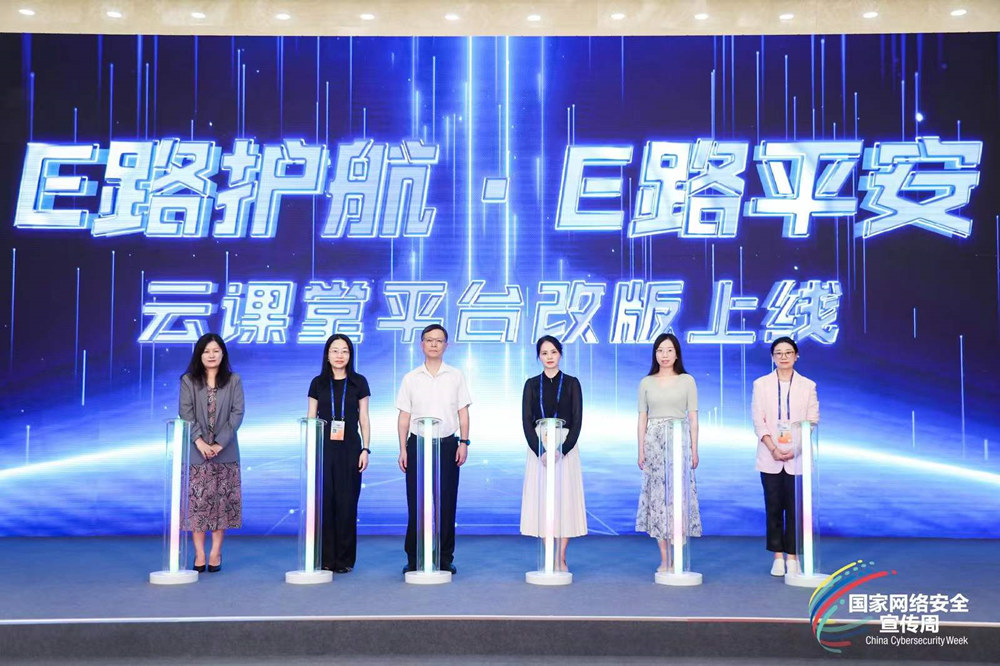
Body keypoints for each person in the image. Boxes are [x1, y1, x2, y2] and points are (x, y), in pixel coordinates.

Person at [396, 324, 472, 574]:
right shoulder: (411, 378)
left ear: (446, 346)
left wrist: (464, 443)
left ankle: (444, 557)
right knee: (416, 502)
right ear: (422, 344)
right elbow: (404, 417)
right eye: (429, 340)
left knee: (446, 503)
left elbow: (463, 413)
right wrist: (403, 448)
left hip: (447, 444)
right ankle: (414, 557)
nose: (434, 344)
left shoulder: (456, 376)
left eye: (439, 340)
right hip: (417, 444)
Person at [751, 336, 820, 577]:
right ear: (772, 357)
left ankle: (793, 556)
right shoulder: (761, 384)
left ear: (796, 356)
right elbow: (758, 420)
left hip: (797, 457)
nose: (783, 357)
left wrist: (796, 448)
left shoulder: (808, 385)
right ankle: (778, 557)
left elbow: (812, 420)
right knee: (773, 507)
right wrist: (772, 448)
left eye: (788, 352)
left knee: (795, 509)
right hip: (769, 454)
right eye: (778, 353)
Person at [519, 336, 587, 571]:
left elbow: (577, 421)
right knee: (542, 499)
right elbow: (526, 421)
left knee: (565, 499)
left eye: (553, 352)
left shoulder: (571, 383)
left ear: (560, 354)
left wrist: (561, 450)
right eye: (544, 353)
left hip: (565, 446)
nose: (549, 357)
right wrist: (541, 450)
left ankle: (561, 557)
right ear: (538, 356)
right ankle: (548, 554)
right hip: (538, 447)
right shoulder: (531, 384)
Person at [635, 333, 701, 573]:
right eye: (660, 350)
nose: (664, 355)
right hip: (653, 442)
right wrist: (640, 449)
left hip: (679, 440)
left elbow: (693, 419)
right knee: (657, 499)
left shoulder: (687, 380)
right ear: (655, 354)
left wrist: (694, 449)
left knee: (678, 496)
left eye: (669, 350)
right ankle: (665, 559)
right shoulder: (646, 382)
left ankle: (679, 555)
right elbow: (642, 418)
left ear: (677, 354)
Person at [178, 333, 244, 573]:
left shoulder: (234, 380)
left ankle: (215, 552)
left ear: (223, 353)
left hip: (225, 453)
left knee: (221, 505)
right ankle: (199, 553)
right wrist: (199, 442)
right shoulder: (188, 380)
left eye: (216, 351)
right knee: (198, 505)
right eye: (206, 351)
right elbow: (185, 413)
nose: (211, 355)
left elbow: (237, 413)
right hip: (197, 453)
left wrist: (218, 444)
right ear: (199, 354)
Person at [307, 334, 372, 574]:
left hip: (351, 449)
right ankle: (326, 558)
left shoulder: (359, 382)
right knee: (325, 503)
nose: (339, 355)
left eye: (344, 350)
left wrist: (366, 448)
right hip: (324, 449)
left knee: (347, 503)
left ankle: (344, 559)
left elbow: (364, 417)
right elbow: (311, 418)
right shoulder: (318, 383)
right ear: (327, 354)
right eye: (335, 350)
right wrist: (310, 450)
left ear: (350, 355)